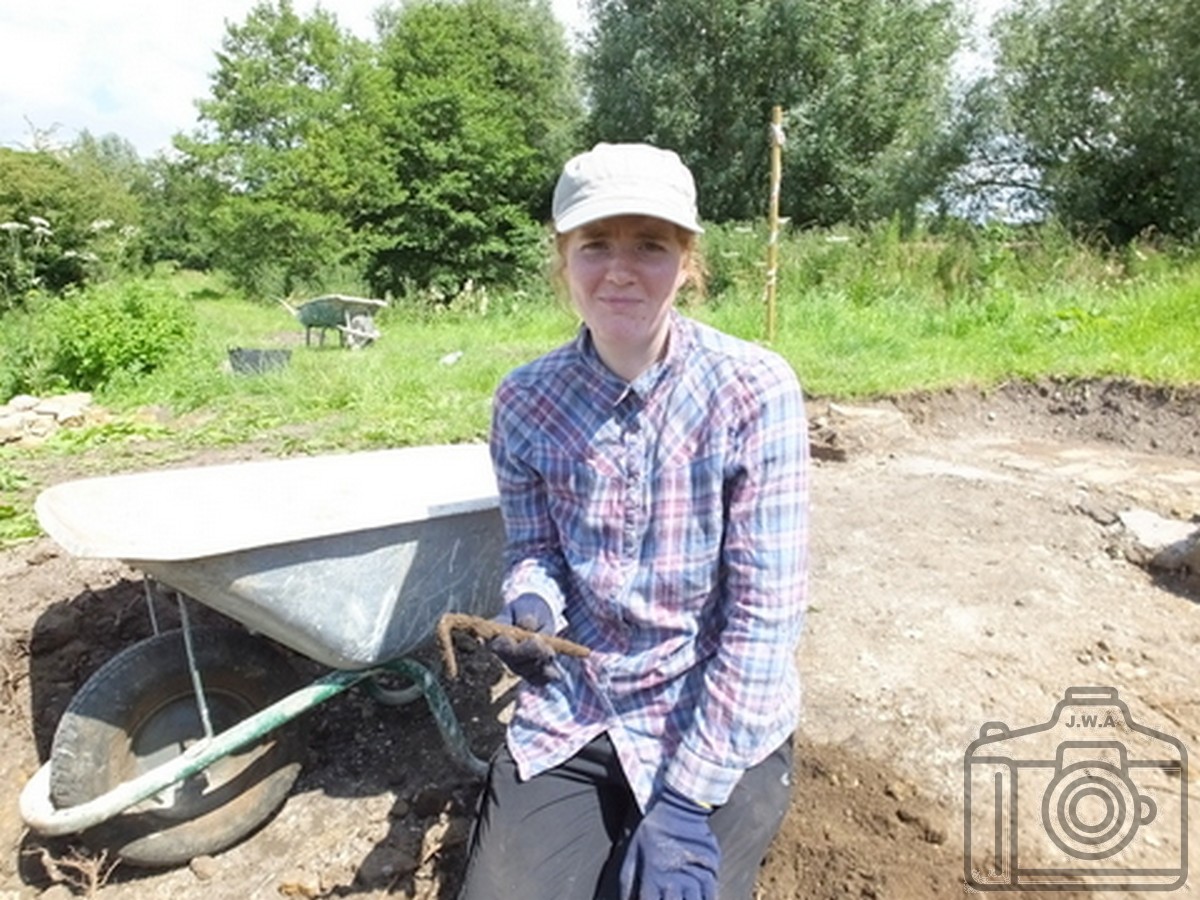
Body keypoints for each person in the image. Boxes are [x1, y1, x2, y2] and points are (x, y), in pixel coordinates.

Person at [457, 142, 809, 900]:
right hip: (580, 705)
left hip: (711, 712)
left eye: (649, 245)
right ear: (563, 260)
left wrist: (685, 803)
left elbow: (763, 621)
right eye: (595, 245)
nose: (619, 270)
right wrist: (532, 602)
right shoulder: (525, 400)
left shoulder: (752, 391)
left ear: (687, 262)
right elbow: (535, 548)